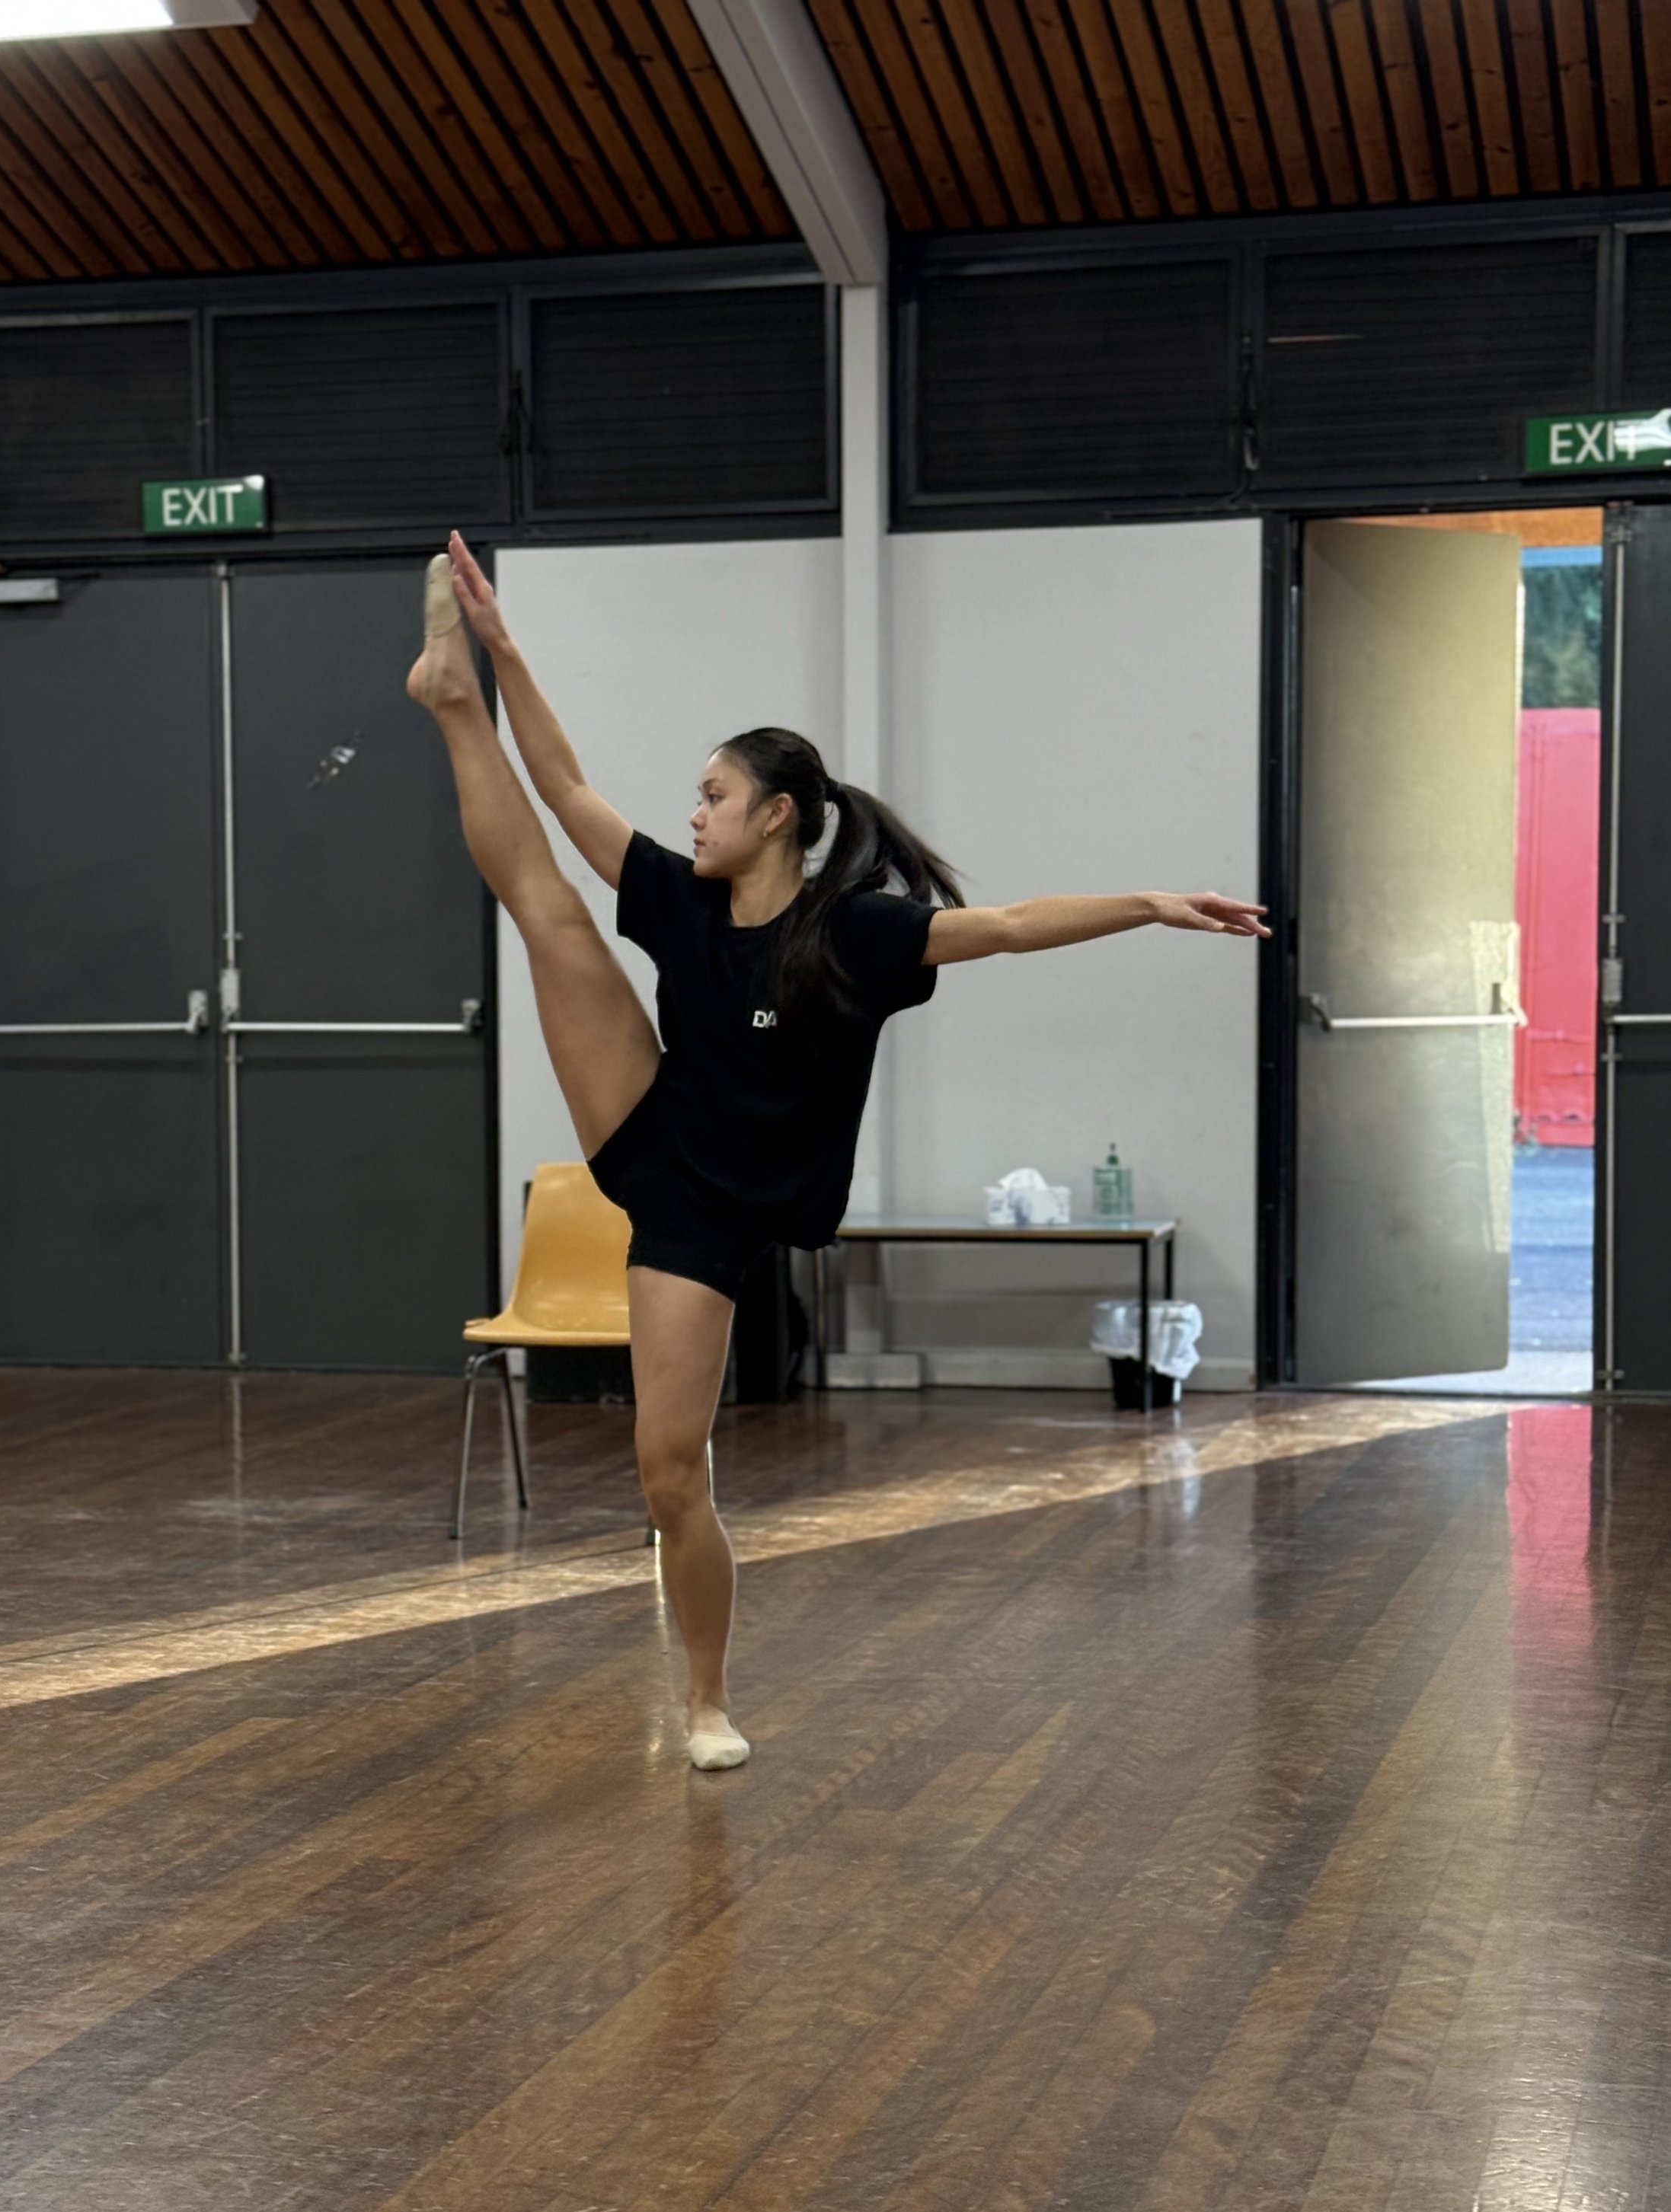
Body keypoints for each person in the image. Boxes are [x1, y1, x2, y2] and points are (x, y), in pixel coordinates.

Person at [409, 534, 1268, 1773]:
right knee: (548, 914)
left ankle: (704, 1696)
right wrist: (497, 651)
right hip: (653, 1141)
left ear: (779, 818)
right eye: (696, 795)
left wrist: (1150, 901)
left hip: (727, 1215)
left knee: (668, 1474)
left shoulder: (857, 933)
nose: (693, 811)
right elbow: (562, 782)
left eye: (713, 795)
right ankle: (445, 704)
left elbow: (1016, 926)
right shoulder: (685, 902)